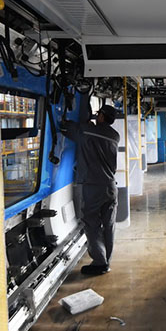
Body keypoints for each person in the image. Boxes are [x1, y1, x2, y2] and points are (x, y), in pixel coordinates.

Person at [61, 104, 120, 275]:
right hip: (110, 186)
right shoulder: (114, 135)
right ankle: (106, 261)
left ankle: (99, 262)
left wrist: (82, 124)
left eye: (98, 114)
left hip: (93, 187)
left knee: (92, 223)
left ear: (101, 116)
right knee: (108, 225)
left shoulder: (88, 131)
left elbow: (66, 127)